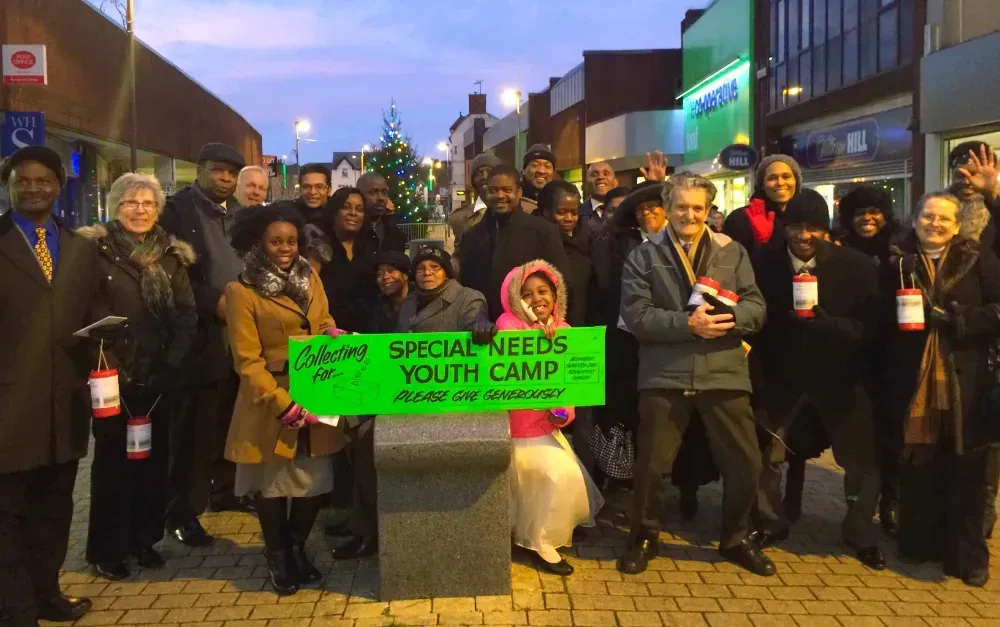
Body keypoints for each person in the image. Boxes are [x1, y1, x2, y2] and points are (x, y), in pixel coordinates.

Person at [617, 172, 772, 576]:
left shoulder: (732, 252)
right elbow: (637, 317)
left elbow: (757, 309)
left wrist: (728, 317)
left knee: (746, 463)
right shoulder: (642, 256)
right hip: (664, 373)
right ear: (667, 209)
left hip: (723, 370)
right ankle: (644, 536)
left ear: (709, 210)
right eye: (681, 206)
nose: (689, 214)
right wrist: (689, 325)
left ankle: (736, 538)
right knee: (651, 465)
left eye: (697, 208)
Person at [750, 189, 885, 570]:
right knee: (766, 454)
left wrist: (834, 327)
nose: (803, 235)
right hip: (783, 376)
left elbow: (871, 328)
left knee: (861, 460)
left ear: (825, 230)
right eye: (796, 226)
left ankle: (859, 529)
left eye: (812, 228)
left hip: (840, 376)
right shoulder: (765, 263)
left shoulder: (855, 266)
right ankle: (770, 522)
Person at [0, 146, 103, 626]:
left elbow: (89, 311)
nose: (34, 188)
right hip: (8, 407)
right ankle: (16, 608)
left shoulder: (80, 247)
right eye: (24, 180)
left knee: (54, 511)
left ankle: (47, 592)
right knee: (7, 518)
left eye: (44, 181)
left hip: (64, 405)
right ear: (9, 186)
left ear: (59, 186)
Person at [78, 174, 198, 581]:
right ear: (116, 207)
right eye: (131, 202)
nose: (141, 210)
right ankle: (107, 549)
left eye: (148, 203)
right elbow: (87, 312)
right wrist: (117, 364)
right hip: (113, 376)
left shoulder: (170, 254)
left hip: (158, 376)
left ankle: (144, 540)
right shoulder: (96, 251)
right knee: (113, 464)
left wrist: (169, 365)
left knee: (152, 460)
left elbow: (186, 314)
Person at [225, 202, 346, 596]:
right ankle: (277, 555)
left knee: (314, 481)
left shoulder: (310, 276)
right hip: (271, 400)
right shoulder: (242, 290)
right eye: (276, 240)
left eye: (291, 240)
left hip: (316, 390)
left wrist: (331, 334)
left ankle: (295, 546)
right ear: (261, 242)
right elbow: (246, 360)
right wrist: (281, 402)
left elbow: (323, 319)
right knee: (273, 485)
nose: (285, 247)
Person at [884, 191, 1000, 587]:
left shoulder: (976, 258)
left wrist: (958, 319)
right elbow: (876, 315)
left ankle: (968, 557)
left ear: (957, 226)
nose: (935, 224)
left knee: (968, 470)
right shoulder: (896, 261)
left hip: (966, 379)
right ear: (914, 219)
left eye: (944, 219)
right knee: (919, 464)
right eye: (928, 216)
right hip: (911, 378)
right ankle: (919, 543)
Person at [160, 142, 248, 547]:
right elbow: (168, 272)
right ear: (199, 171)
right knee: (195, 430)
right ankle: (181, 512)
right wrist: (213, 302)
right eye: (218, 171)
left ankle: (224, 492)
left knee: (230, 420)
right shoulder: (178, 211)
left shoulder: (240, 217)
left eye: (231, 173)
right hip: (200, 338)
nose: (225, 179)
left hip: (239, 338)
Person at [497, 260, 604, 575]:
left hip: (544, 429)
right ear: (516, 299)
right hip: (511, 429)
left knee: (562, 476)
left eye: (543, 291)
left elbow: (570, 385)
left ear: (555, 296)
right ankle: (528, 541)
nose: (536, 298)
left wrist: (563, 412)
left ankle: (542, 541)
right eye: (527, 293)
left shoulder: (567, 332)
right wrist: (535, 330)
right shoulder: (508, 324)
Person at [330, 251, 413, 561]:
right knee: (349, 435)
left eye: (392, 271)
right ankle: (362, 521)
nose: (385, 277)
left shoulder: (420, 305)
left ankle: (367, 532)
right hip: (376, 391)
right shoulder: (372, 307)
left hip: (409, 397)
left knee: (367, 441)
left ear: (406, 275)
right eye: (380, 273)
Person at [834, 185, 901, 536]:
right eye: (860, 213)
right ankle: (858, 508)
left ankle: (891, 502)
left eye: (874, 211)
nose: (867, 218)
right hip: (854, 354)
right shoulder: (839, 248)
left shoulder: (900, 247)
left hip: (892, 353)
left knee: (892, 434)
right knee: (860, 439)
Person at [459, 165, 569, 321]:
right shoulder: (472, 236)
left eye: (507, 190)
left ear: (519, 193)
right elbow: (466, 288)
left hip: (532, 329)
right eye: (493, 190)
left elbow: (560, 283)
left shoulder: (543, 231)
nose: (500, 195)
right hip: (484, 329)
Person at [398, 244, 497, 341]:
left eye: (435, 267)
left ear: (446, 273)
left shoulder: (468, 298)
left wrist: (481, 327)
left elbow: (474, 320)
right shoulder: (408, 301)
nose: (427, 273)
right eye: (420, 269)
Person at [724, 154, 803, 254]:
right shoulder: (740, 218)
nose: (780, 183)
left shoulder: (808, 216)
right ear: (762, 185)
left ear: (796, 181)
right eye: (772, 178)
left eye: (786, 176)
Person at [452, 152, 502, 259]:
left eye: (489, 172)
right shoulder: (459, 218)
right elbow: (459, 256)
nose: (484, 177)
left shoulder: (523, 209)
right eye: (478, 173)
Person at [357, 172, 407, 250]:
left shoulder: (396, 235)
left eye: (384, 193)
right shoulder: (351, 233)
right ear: (359, 195)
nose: (381, 198)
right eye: (373, 193)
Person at [520, 144, 557, 214]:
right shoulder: (515, 198)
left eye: (547, 166)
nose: (541, 171)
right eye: (535, 165)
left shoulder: (558, 198)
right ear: (524, 170)